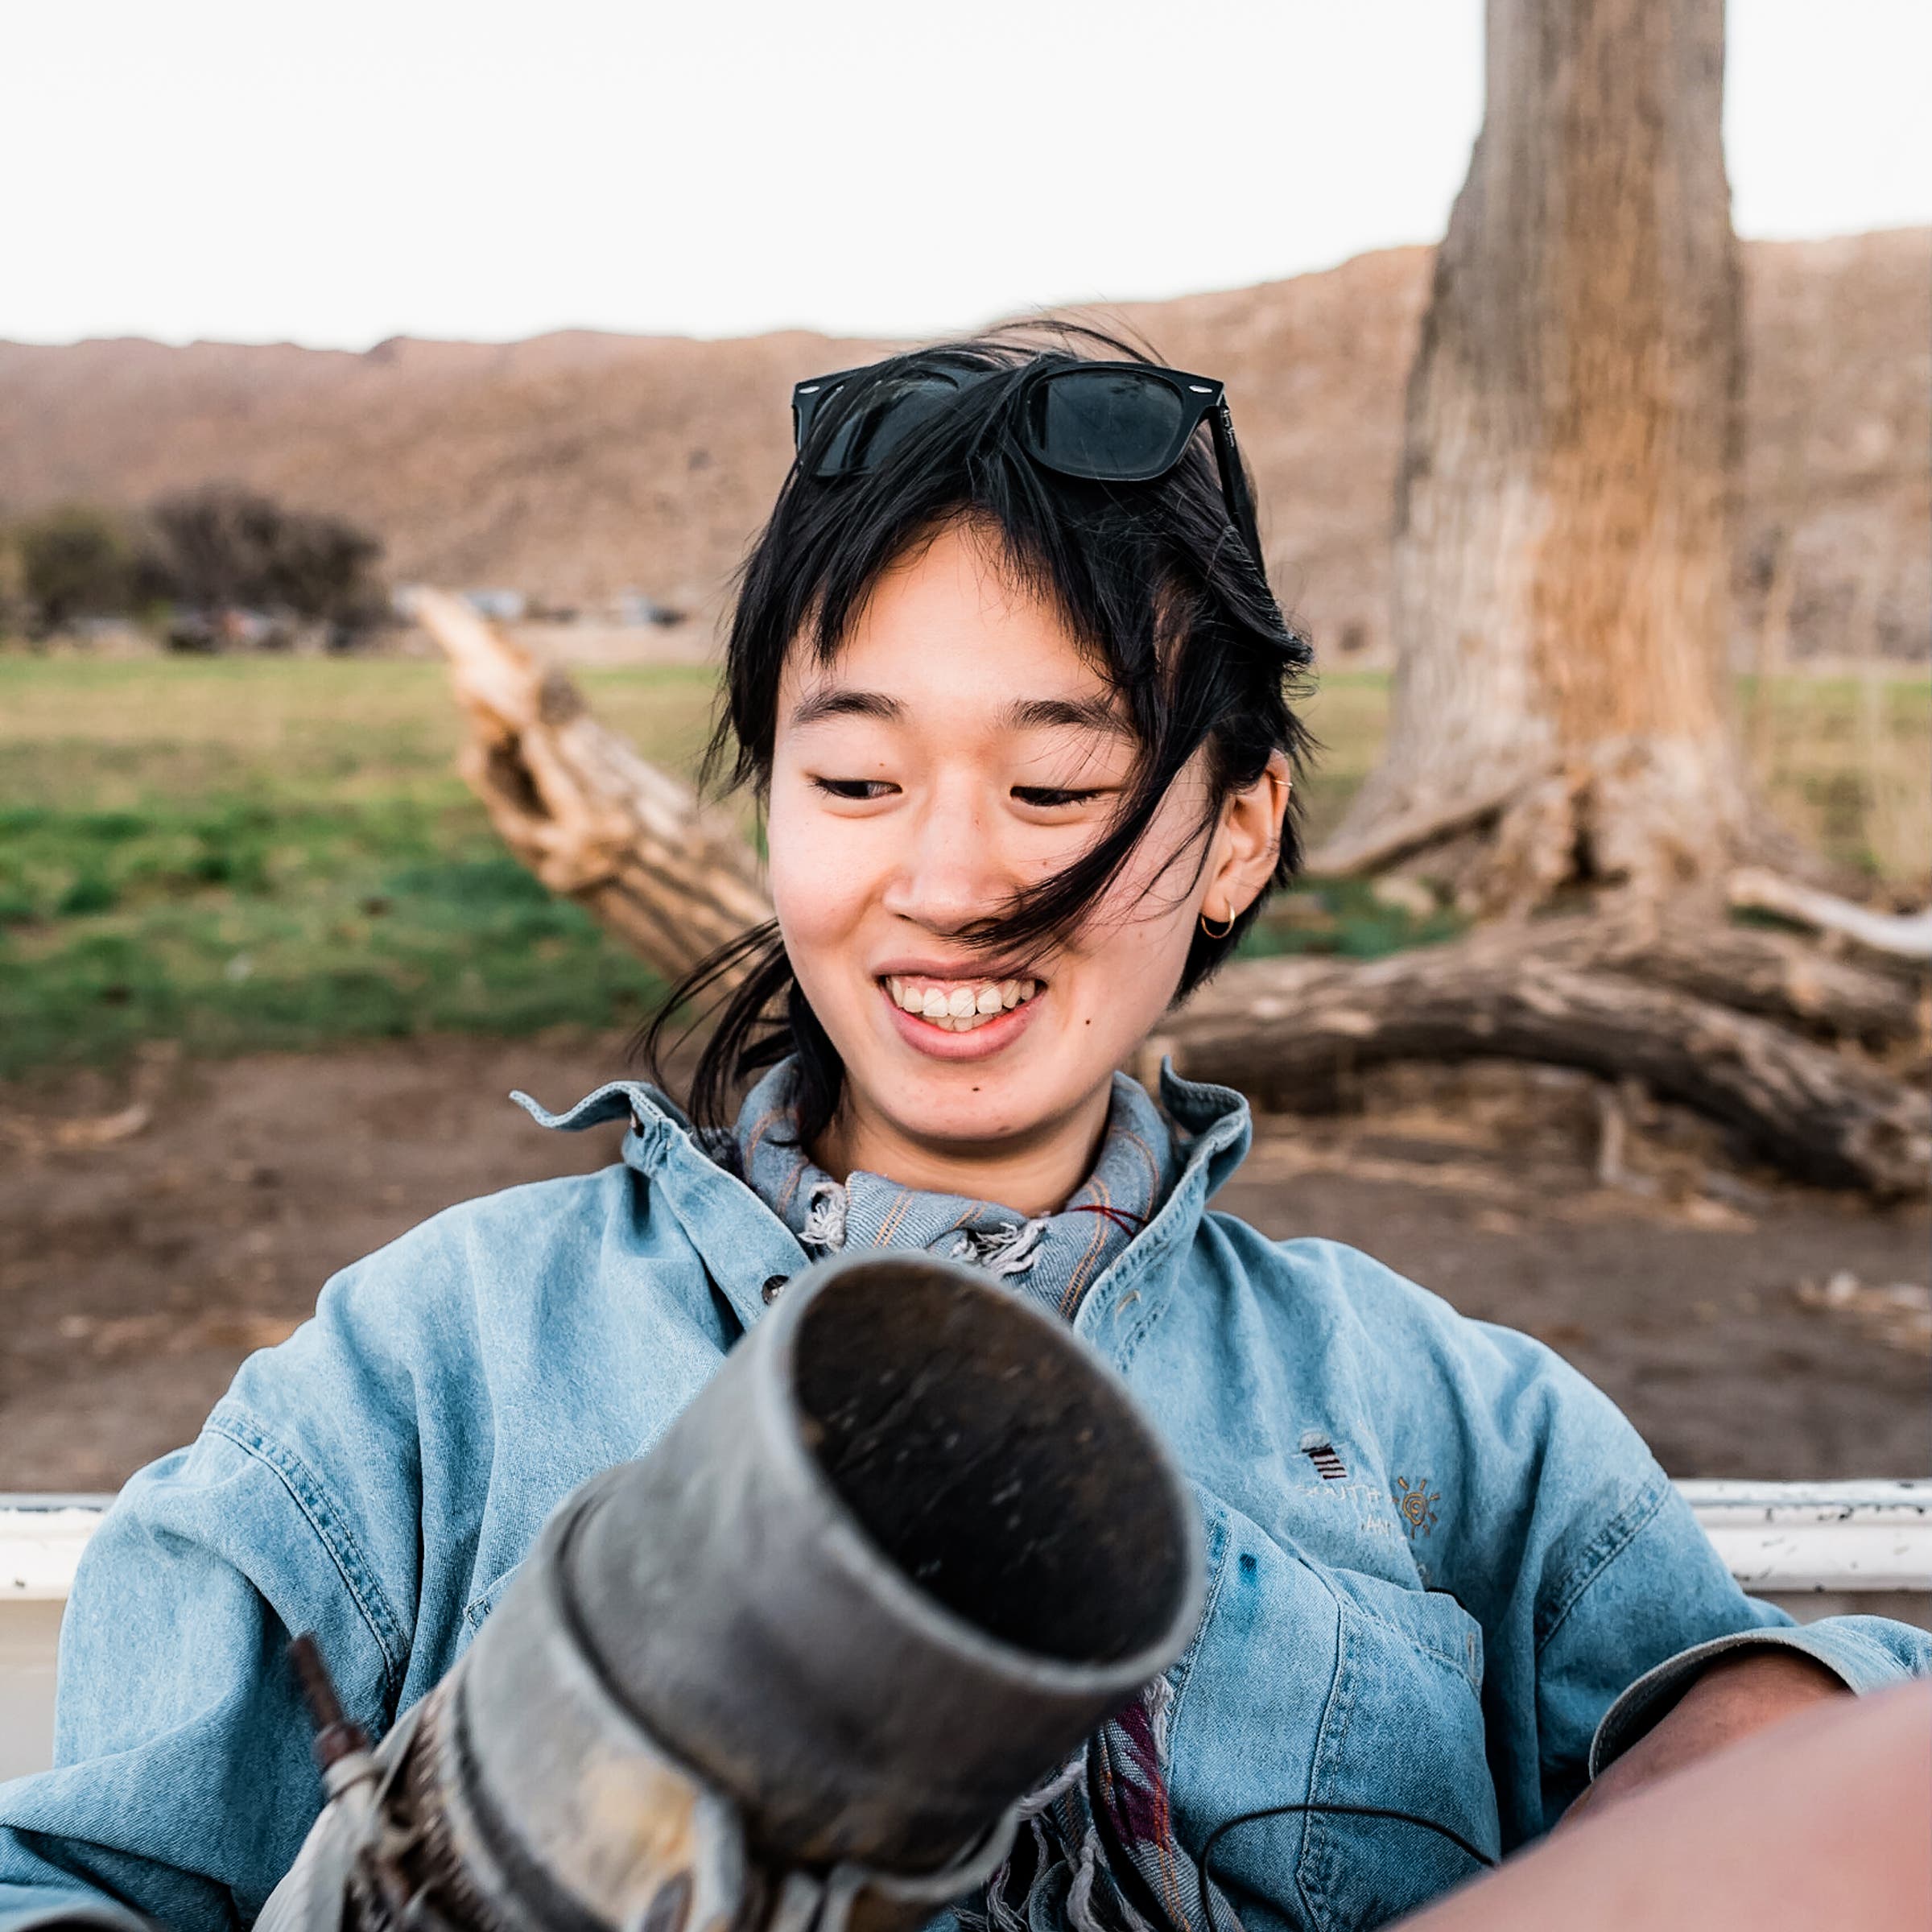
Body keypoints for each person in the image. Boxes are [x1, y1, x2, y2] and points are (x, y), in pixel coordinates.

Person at [1, 338, 1924, 1932]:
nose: (943, 877)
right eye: (852, 776)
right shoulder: (427, 1371)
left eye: (1054, 781)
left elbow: (1866, 1789)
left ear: (1239, 826)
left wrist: (1741, 1741)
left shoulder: (1454, 1429)